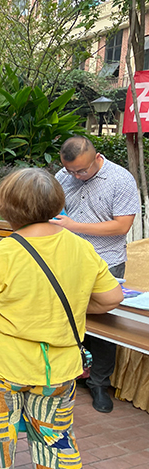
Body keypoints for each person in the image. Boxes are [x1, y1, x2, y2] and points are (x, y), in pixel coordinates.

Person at [0, 168, 123, 469]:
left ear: (7, 206)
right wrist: (75, 305)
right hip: (58, 369)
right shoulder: (81, 248)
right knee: (58, 438)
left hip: (1, 367)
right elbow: (111, 298)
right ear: (56, 203)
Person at [51, 135, 141, 413]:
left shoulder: (121, 179)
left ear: (96, 157)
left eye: (81, 170)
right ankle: (73, 372)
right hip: (68, 260)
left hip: (106, 261)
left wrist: (74, 226)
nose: (76, 176)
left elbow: (121, 226)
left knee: (104, 325)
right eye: (71, 171)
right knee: (70, 317)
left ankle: (99, 382)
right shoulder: (63, 177)